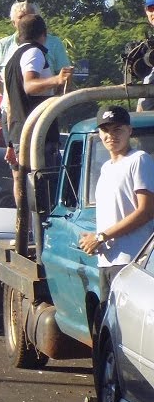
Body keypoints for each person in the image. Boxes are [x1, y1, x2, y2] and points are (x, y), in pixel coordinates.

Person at [78, 106, 154, 303]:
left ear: (129, 131)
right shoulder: (106, 168)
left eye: (117, 129)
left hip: (132, 261)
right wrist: (93, 239)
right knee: (109, 330)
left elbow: (146, 211)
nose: (111, 136)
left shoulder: (139, 160)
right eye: (106, 130)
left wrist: (101, 237)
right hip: (107, 260)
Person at [3, 15, 73, 169]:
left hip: (20, 133)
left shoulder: (12, 60)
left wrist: (10, 141)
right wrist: (57, 79)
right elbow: (29, 85)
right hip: (38, 136)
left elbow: (10, 105)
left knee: (24, 184)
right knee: (44, 186)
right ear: (44, 34)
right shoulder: (34, 52)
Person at [0, 1, 72, 101]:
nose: (26, 20)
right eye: (21, 17)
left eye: (30, 16)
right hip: (12, 107)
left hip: (45, 108)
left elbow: (64, 76)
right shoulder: (4, 45)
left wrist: (58, 101)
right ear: (13, 23)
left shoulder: (54, 43)